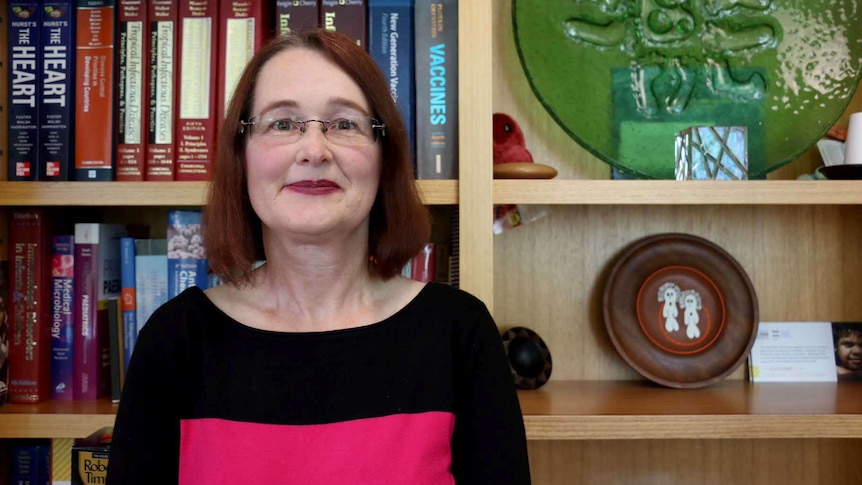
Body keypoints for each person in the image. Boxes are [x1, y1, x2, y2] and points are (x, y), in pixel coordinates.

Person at [107, 29, 531, 484]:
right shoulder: (176, 342)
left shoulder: (459, 335)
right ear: (241, 157)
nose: (313, 150)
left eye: (345, 124)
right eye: (282, 124)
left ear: (384, 159)